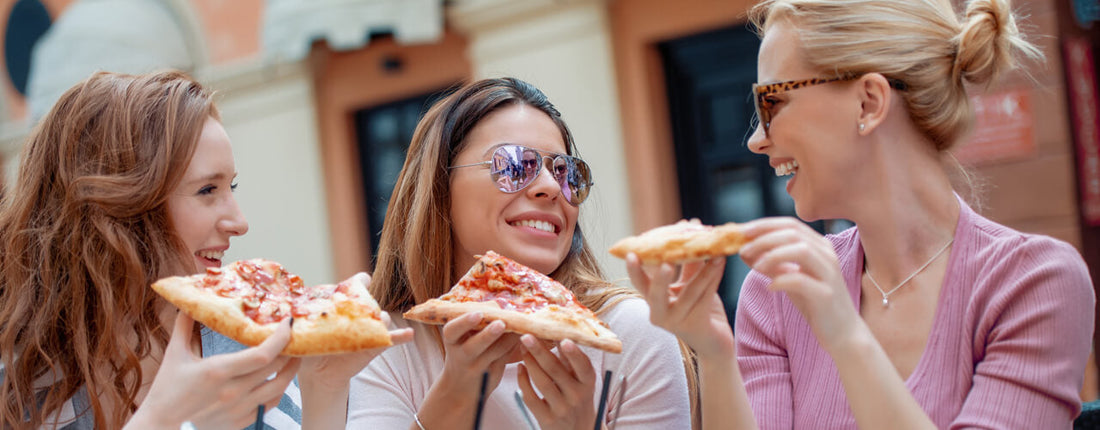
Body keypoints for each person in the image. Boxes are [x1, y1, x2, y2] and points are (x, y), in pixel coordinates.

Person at [627, 0, 1096, 428]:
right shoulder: (774, 294)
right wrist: (713, 354)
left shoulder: (1035, 283)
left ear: (869, 102)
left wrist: (846, 336)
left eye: (771, 102)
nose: (755, 140)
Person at [0, 70, 412, 429]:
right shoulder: (18, 384)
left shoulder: (240, 342)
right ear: (119, 207)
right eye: (207, 190)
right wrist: (164, 418)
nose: (239, 221)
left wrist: (325, 384)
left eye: (230, 187)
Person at [348, 77, 697, 429]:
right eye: (513, 165)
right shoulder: (389, 344)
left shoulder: (632, 333)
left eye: (564, 172)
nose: (549, 187)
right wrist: (452, 399)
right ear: (439, 188)